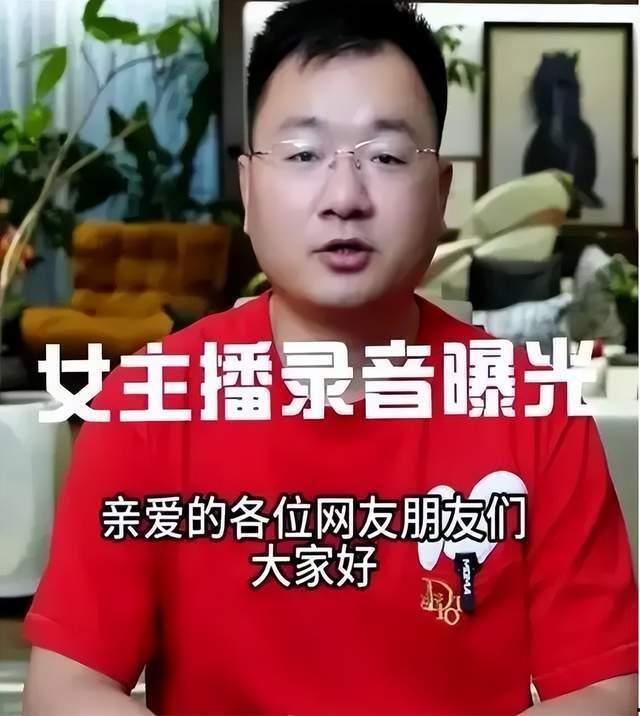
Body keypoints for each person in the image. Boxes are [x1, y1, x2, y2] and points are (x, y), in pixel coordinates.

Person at [23, 1, 637, 714]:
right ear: (248, 188)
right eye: (303, 154)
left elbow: (601, 689)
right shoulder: (149, 401)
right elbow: (67, 687)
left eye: (386, 157)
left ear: (440, 194)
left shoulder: (532, 408)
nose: (344, 197)